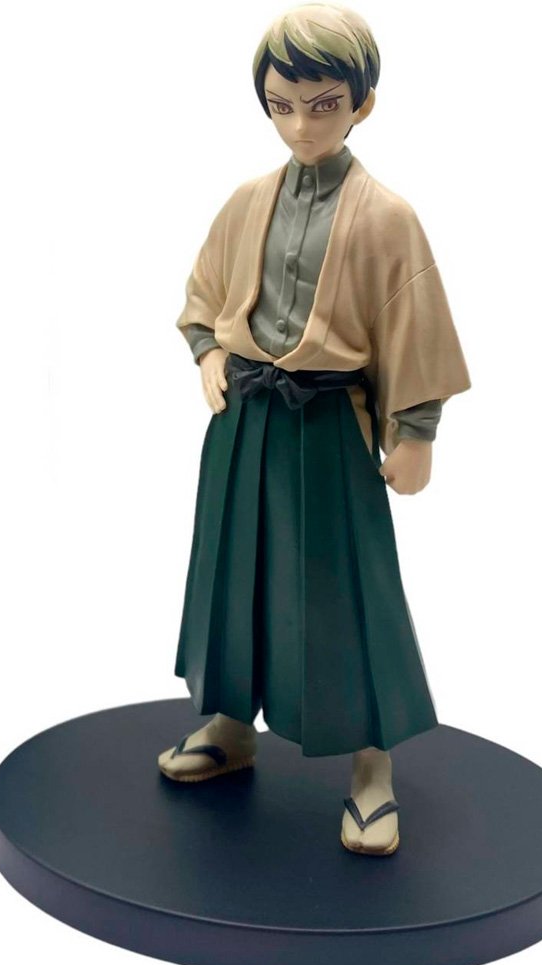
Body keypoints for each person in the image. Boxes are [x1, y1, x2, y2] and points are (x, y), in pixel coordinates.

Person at [158, 3, 471, 857]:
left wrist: (416, 430)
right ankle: (231, 723)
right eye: (282, 105)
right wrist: (207, 354)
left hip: (329, 421)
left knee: (346, 592)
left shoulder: (386, 217)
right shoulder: (247, 201)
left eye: (324, 104)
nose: (301, 124)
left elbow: (415, 324)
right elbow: (203, 294)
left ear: (361, 102)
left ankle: (372, 768)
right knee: (230, 573)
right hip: (244, 418)